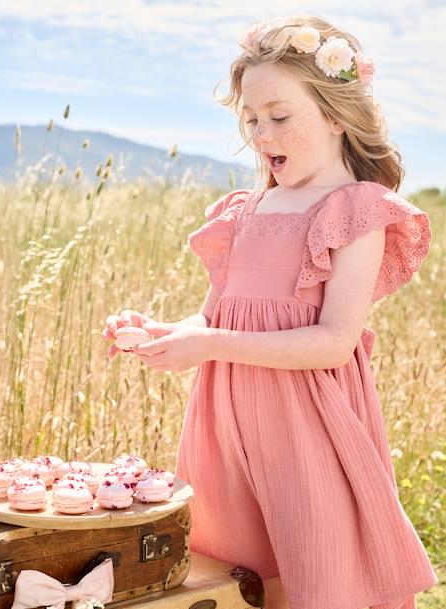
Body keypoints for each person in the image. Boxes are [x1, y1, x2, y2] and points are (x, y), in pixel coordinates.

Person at [103, 15, 438, 609]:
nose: (262, 134)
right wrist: (160, 333)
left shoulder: (353, 211)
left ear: (337, 116)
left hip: (308, 429)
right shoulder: (247, 210)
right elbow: (212, 317)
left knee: (315, 565)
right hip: (225, 426)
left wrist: (209, 345)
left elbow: (334, 342)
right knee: (238, 576)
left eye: (280, 117)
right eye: (251, 119)